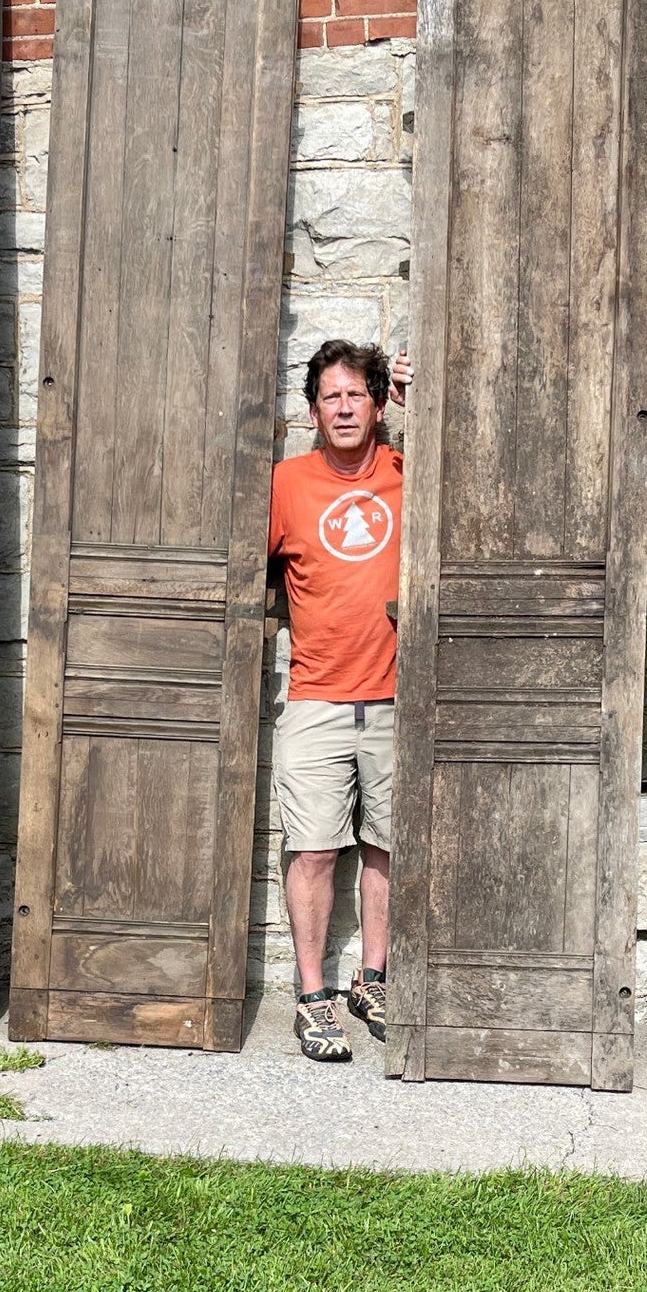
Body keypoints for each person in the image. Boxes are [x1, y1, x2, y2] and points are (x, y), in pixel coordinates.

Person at [267, 337, 412, 1062]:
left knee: (386, 846)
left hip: (396, 697)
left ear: (379, 404)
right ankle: (313, 995)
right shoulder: (286, 484)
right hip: (318, 699)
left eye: (358, 393)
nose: (346, 406)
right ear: (314, 410)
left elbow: (474, 482)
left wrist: (422, 407)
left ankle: (372, 978)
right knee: (315, 850)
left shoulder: (406, 471)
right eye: (332, 396)